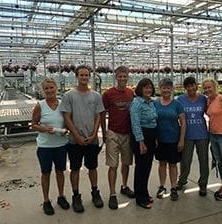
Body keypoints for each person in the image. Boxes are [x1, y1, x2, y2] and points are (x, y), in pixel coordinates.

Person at [60, 65, 105, 213]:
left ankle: (95, 192)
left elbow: (98, 115)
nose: (84, 78)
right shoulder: (69, 96)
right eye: (81, 75)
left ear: (89, 77)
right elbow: (67, 117)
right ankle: (76, 195)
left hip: (92, 139)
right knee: (75, 168)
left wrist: (94, 134)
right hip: (75, 140)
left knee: (92, 167)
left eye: (86, 75)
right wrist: (77, 136)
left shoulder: (96, 96)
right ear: (77, 77)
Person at [31, 78, 70, 215]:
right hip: (45, 146)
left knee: (60, 171)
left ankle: (61, 196)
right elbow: (33, 124)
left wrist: (64, 129)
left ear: (56, 88)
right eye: (46, 88)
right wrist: (44, 129)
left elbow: (67, 122)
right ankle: (46, 201)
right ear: (43, 90)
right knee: (46, 173)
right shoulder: (39, 105)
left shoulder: (63, 104)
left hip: (61, 145)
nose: (49, 91)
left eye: (51, 87)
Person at [101, 65, 135, 210]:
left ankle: (124, 186)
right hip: (113, 132)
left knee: (126, 163)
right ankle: (112, 194)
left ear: (128, 77)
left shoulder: (130, 93)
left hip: (127, 133)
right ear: (116, 77)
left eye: (124, 76)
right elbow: (102, 113)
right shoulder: (108, 94)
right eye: (120, 76)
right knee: (113, 165)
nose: (122, 79)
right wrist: (104, 132)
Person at [176, 76, 209, 197]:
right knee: (185, 160)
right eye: (188, 86)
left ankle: (203, 184)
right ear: (185, 88)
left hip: (202, 134)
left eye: (192, 85)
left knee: (203, 160)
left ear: (196, 86)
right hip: (187, 135)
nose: (191, 88)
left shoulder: (203, 99)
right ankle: (182, 180)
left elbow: (211, 112)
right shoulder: (180, 99)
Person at [154, 78, 186, 201]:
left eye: (168, 88)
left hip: (173, 139)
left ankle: (173, 187)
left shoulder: (177, 104)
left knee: (173, 164)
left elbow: (183, 123)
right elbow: (152, 121)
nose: (166, 90)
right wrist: (154, 138)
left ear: (171, 89)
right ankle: (162, 186)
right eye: (163, 88)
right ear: (160, 89)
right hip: (160, 139)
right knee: (162, 163)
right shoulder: (155, 103)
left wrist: (181, 139)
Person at [130, 78, 157, 209]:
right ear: (140, 89)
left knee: (147, 167)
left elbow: (154, 122)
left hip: (151, 137)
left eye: (150, 87)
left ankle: (144, 193)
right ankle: (140, 198)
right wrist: (141, 142)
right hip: (141, 138)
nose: (148, 90)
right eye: (145, 87)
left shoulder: (151, 102)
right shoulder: (137, 103)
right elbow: (135, 124)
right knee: (141, 168)